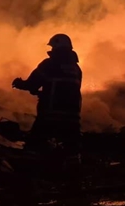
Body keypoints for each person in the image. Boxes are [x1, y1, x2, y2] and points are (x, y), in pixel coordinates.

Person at [12, 34, 83, 163]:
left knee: (35, 144)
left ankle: (28, 172)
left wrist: (19, 83)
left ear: (56, 46)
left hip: (50, 115)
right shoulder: (77, 69)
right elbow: (67, 90)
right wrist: (44, 93)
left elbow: (32, 83)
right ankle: (71, 176)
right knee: (71, 149)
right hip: (73, 118)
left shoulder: (49, 64)